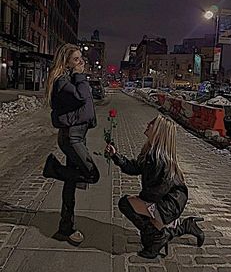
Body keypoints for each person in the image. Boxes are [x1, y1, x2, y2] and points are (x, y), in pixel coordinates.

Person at [105, 115, 204, 259]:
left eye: (151, 123)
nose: (147, 124)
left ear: (158, 131)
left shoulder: (160, 159)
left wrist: (140, 204)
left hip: (169, 204)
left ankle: (159, 237)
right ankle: (181, 227)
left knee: (126, 204)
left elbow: (157, 193)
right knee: (136, 210)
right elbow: (133, 167)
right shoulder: (150, 151)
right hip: (163, 201)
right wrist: (115, 156)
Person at [43, 43, 100, 246]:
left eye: (81, 59)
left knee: (71, 183)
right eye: (76, 59)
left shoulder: (68, 80)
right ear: (66, 62)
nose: (81, 63)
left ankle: (65, 227)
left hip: (78, 135)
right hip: (71, 137)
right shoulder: (62, 82)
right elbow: (82, 98)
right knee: (92, 174)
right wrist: (79, 75)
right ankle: (53, 168)